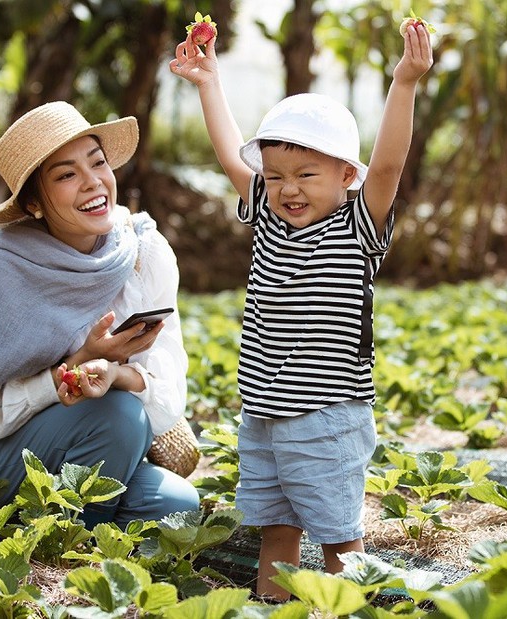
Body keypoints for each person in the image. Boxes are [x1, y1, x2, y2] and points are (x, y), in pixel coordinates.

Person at [169, 20, 434, 599]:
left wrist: (405, 84)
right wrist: (208, 83)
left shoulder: (356, 225)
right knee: (276, 527)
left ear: (345, 175)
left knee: (339, 534)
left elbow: (387, 166)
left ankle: (348, 607)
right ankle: (272, 604)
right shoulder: (264, 211)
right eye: (276, 175)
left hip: (327, 415)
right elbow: (229, 155)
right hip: (262, 410)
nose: (288, 189)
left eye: (306, 175)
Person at [0, 101, 200, 528]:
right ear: (35, 202)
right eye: (67, 175)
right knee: (120, 418)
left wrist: (117, 373)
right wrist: (72, 369)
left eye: (98, 163)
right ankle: (69, 541)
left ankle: (53, 518)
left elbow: (166, 406)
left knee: (176, 505)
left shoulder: (142, 252)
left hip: (96, 443)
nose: (93, 183)